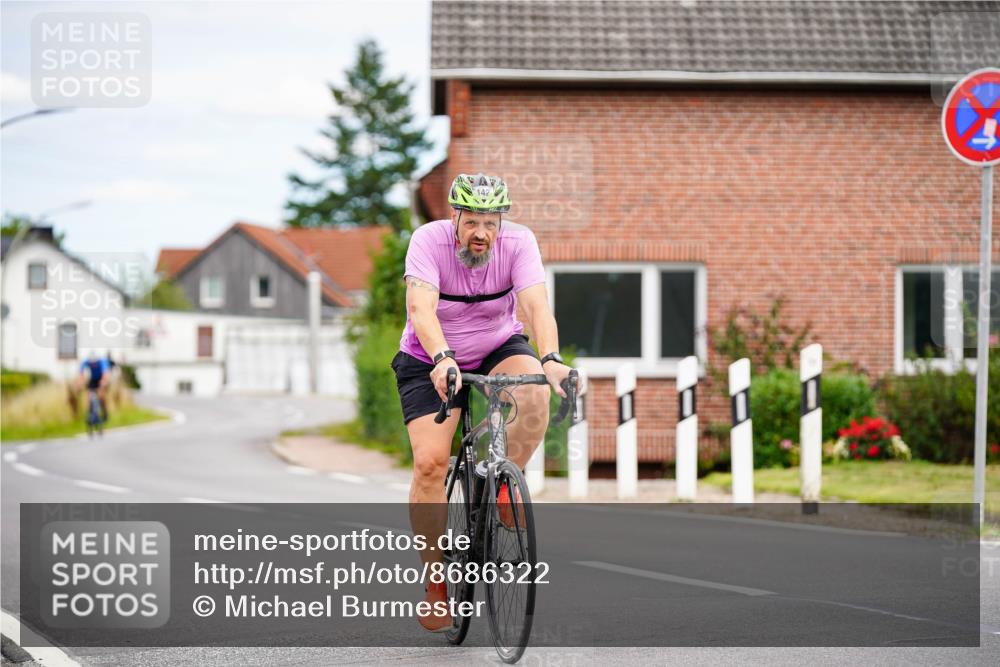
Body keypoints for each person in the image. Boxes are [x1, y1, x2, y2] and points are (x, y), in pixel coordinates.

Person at [392, 172, 575, 632]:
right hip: (429, 356)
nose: (480, 233)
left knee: (533, 392)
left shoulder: (519, 243)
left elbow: (535, 305)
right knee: (431, 464)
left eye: (490, 222)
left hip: (498, 344)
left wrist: (551, 358)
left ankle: (501, 483)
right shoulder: (428, 242)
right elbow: (421, 309)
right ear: (455, 216)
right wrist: (441, 357)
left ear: (501, 221)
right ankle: (436, 584)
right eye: (472, 221)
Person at [77, 351, 111, 422]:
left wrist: (104, 382)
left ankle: (105, 413)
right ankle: (90, 414)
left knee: (101, 395)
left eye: (94, 363)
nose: (93, 365)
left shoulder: (102, 362)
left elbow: (106, 374)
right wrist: (80, 384)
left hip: (101, 378)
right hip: (93, 379)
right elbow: (81, 374)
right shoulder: (86, 362)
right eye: (92, 364)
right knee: (89, 396)